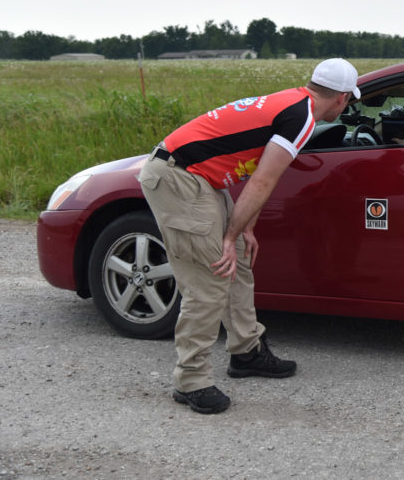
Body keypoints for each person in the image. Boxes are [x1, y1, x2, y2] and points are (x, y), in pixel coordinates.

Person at [137, 58, 361, 414]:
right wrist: (227, 237)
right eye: (349, 100)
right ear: (342, 98)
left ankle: (246, 352)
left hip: (202, 177)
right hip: (179, 177)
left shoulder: (294, 103)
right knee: (210, 276)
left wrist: (245, 230)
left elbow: (256, 171)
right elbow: (263, 181)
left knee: (238, 257)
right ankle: (191, 380)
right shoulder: (301, 119)